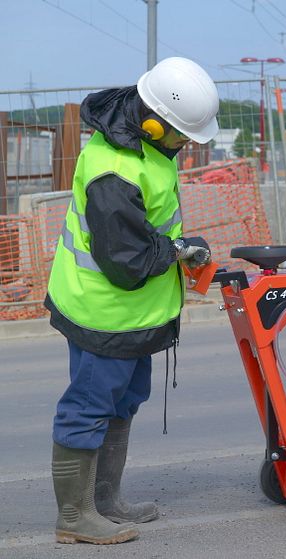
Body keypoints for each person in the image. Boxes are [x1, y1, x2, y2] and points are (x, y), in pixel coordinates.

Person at [44, 57, 219, 545]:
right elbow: (126, 261)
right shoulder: (114, 172)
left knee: (124, 400)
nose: (185, 145)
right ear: (151, 121)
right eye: (182, 135)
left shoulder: (143, 144)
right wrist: (178, 251)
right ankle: (75, 519)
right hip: (106, 312)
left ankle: (104, 502)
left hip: (133, 314)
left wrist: (174, 249)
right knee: (88, 405)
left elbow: (145, 231)